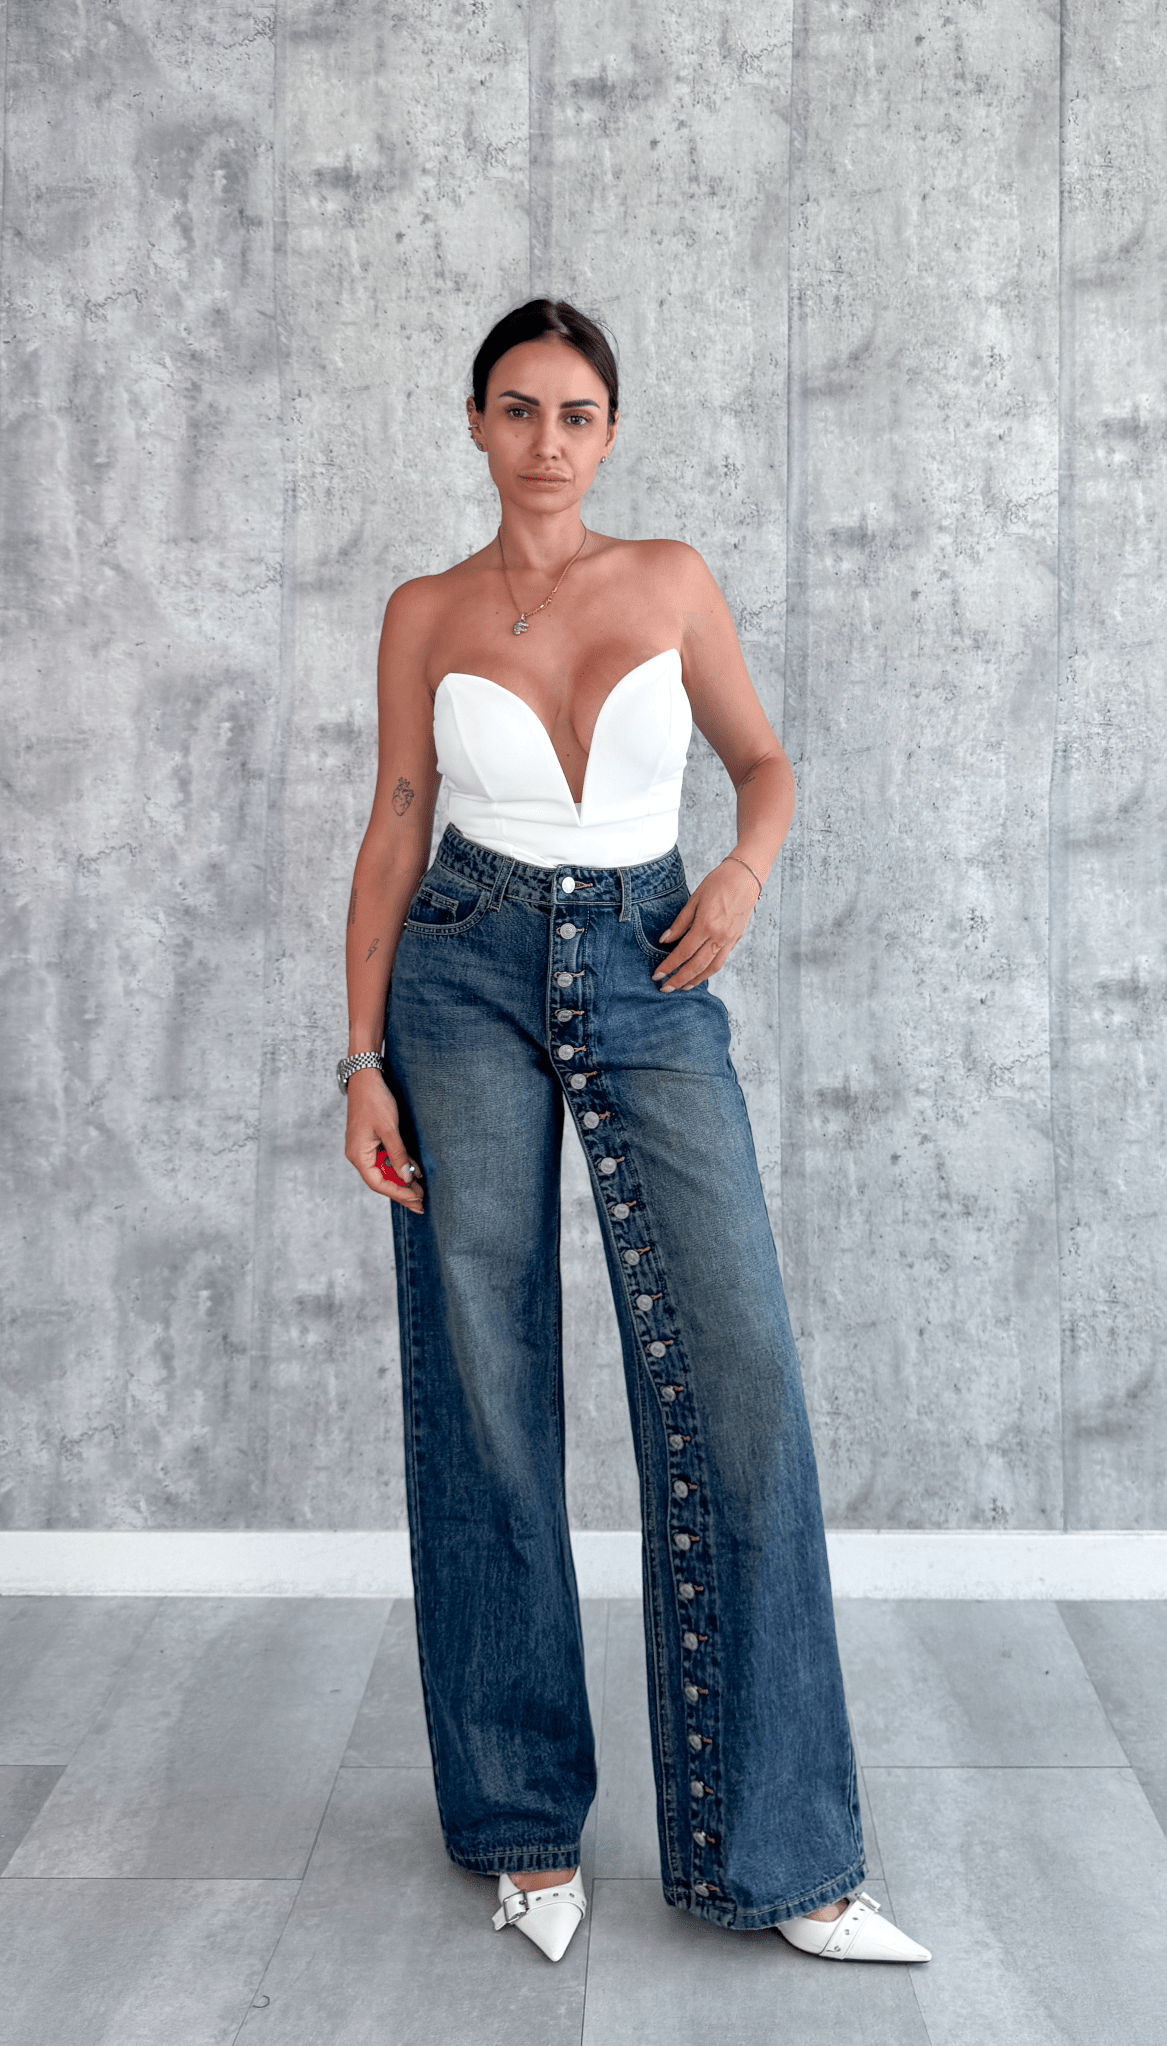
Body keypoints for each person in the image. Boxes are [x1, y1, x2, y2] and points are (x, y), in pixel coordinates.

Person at [339, 299, 928, 1967]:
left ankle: (788, 1855)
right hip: (463, 974)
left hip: (650, 962)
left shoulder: (670, 580)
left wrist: (738, 874)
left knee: (738, 1374)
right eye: (519, 409)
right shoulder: (424, 610)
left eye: (578, 413)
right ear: (476, 424)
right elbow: (393, 830)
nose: (549, 441)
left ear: (610, 430)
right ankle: (521, 1826)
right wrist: (360, 1058)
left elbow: (765, 762)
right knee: (486, 1386)